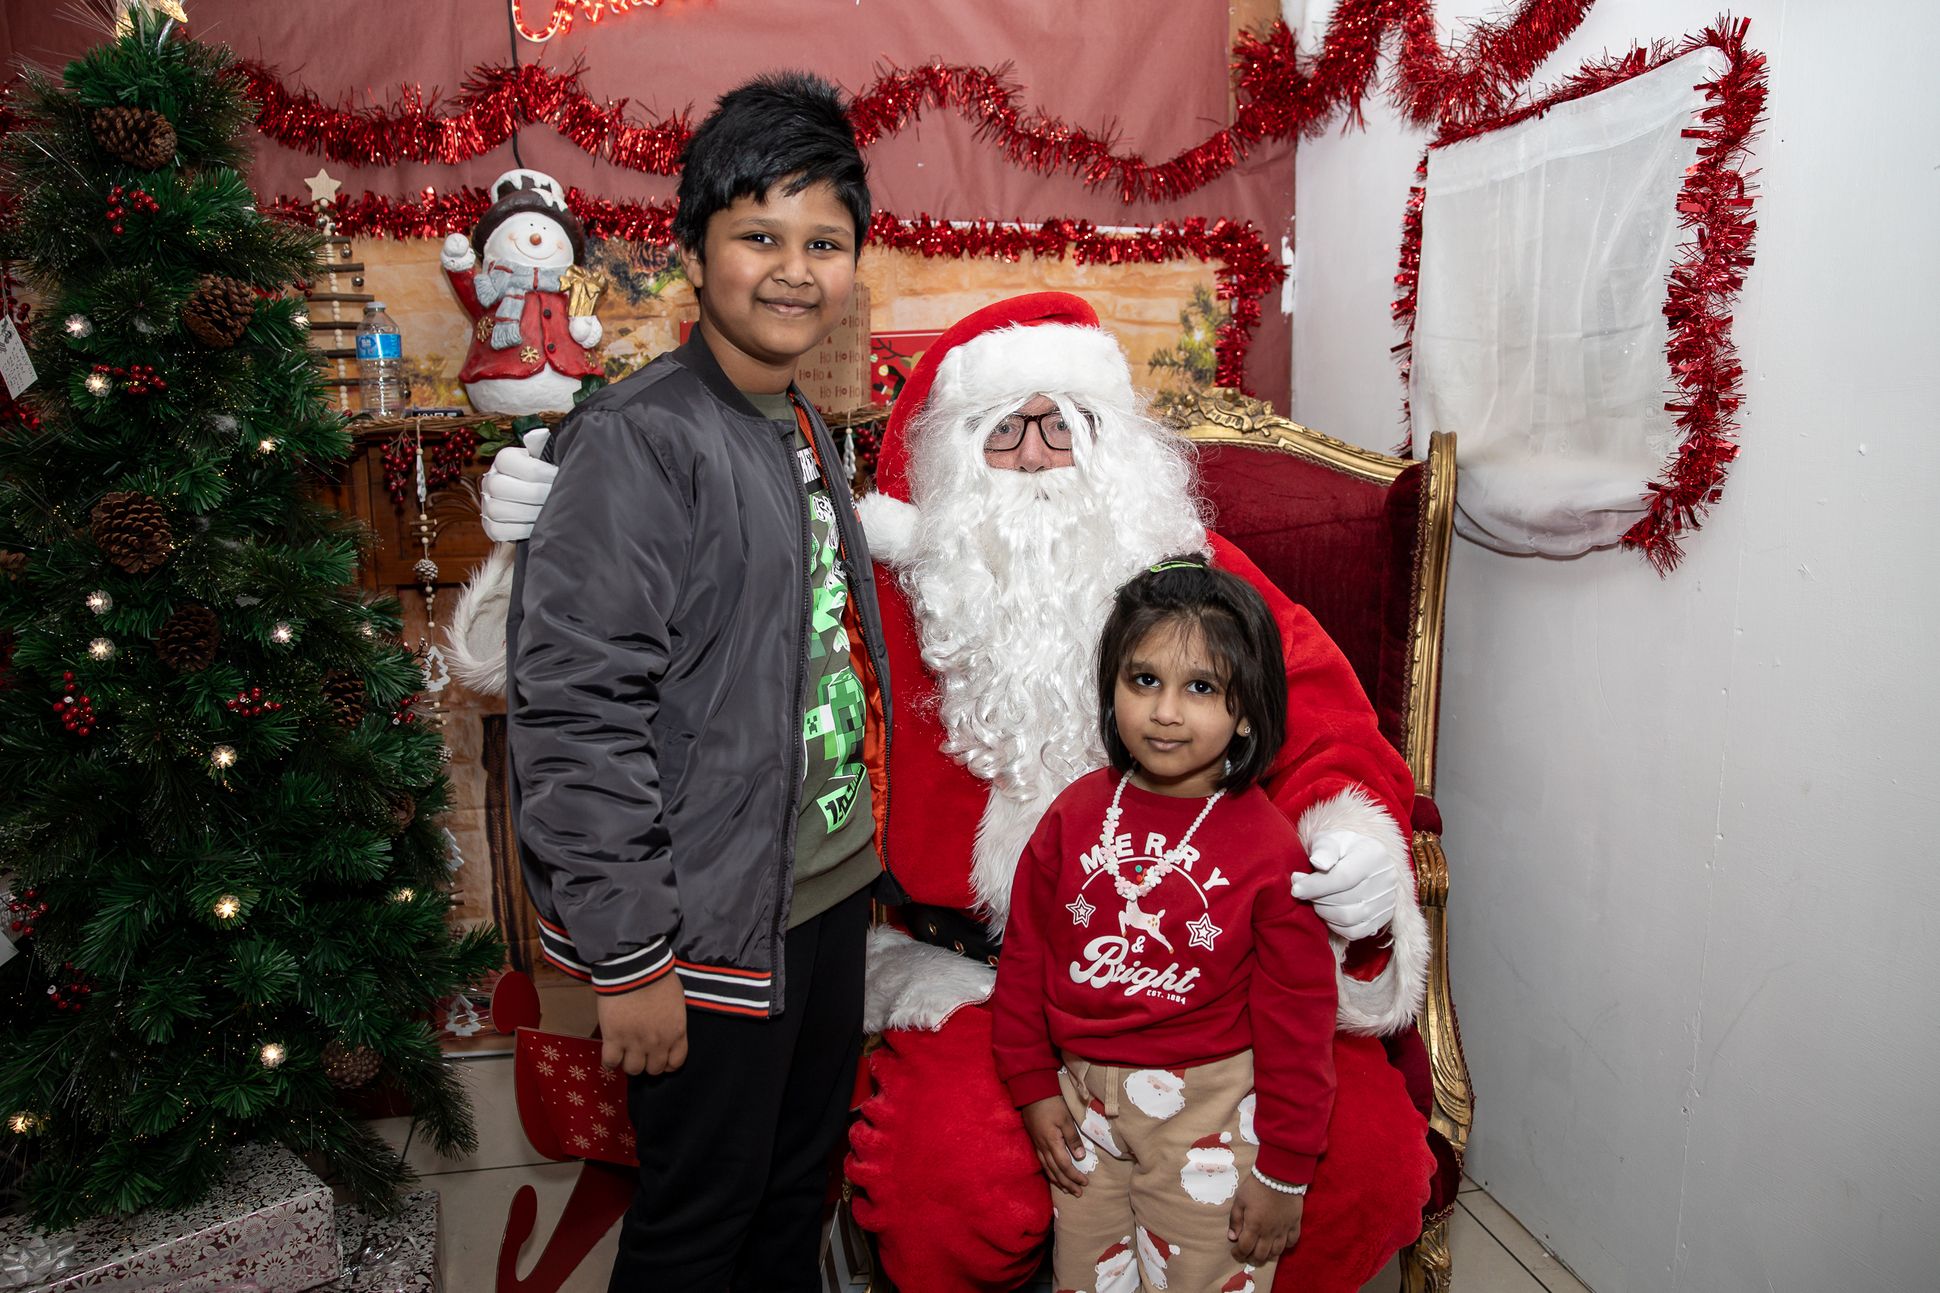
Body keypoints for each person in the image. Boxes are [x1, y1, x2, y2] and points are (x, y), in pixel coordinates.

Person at [477, 293, 1438, 1291]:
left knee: (1359, 1163)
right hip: (974, 984)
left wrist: (1352, 841)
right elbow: (662, 663)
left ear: (1115, 451)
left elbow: (1326, 729)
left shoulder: (1199, 586)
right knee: (950, 1187)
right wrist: (565, 539)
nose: (1034, 455)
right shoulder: (874, 591)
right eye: (1003, 430)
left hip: (1210, 977)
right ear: (943, 464)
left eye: (1064, 425)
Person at [504, 71, 893, 1292]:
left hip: (821, 889)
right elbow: (573, 717)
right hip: (706, 925)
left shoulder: (801, 426)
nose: (793, 270)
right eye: (758, 236)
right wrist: (631, 961)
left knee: (792, 1190)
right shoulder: (640, 440)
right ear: (692, 253)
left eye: (822, 242)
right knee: (697, 1222)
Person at [992, 557, 1338, 1292]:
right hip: (1083, 1105)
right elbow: (1025, 960)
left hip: (1204, 1115)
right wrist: (1033, 1085)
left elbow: (1299, 1017)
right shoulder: (1073, 815)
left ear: (1245, 710)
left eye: (1202, 688)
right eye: (1143, 680)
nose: (1166, 711)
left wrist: (1285, 1170)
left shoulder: (1270, 849)